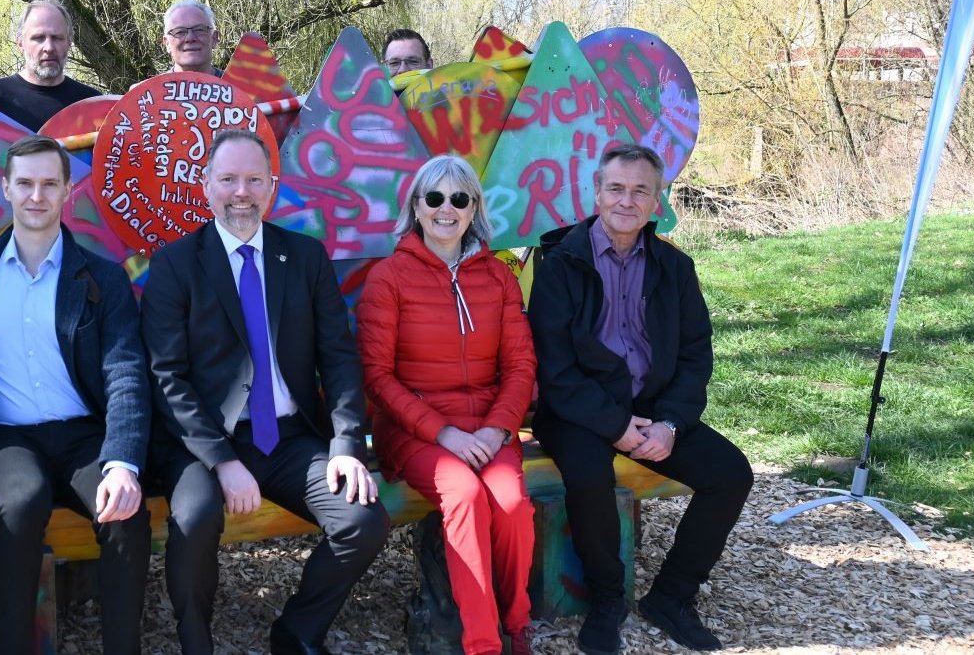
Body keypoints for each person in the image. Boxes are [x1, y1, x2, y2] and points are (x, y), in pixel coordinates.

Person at [142, 129, 389, 655]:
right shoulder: (174, 265)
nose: (241, 192)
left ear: (272, 188)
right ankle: (195, 642)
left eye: (254, 180)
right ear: (205, 186)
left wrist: (347, 446)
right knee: (194, 517)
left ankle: (297, 632)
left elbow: (339, 358)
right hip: (207, 442)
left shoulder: (303, 256)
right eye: (228, 179)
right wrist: (221, 459)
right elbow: (167, 378)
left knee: (364, 520)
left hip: (292, 440)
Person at [528, 144, 753, 655]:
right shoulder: (561, 262)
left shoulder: (674, 267)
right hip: (578, 411)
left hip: (656, 409)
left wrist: (670, 423)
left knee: (731, 474)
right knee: (588, 476)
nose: (626, 200)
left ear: (657, 201)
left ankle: (671, 597)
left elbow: (696, 357)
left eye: (640, 191)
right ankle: (607, 599)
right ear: (597, 193)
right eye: (616, 188)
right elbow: (555, 368)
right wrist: (617, 426)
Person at [0, 135, 152, 654]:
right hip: (6, 437)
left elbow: (126, 371)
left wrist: (123, 463)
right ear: (6, 188)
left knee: (126, 512)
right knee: (22, 499)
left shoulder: (102, 278)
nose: (37, 196)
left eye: (49, 184)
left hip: (84, 435)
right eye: (26, 184)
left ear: (68, 191)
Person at [355, 155, 536, 655]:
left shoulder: (498, 277)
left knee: (512, 503)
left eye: (460, 198)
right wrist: (443, 433)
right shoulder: (388, 278)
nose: (446, 209)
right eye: (434, 197)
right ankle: (483, 644)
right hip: (416, 431)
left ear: (473, 208)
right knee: (463, 495)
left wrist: (499, 429)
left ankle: (515, 622)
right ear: (416, 206)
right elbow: (377, 377)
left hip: (488, 428)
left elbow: (521, 366)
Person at [0, 0, 106, 133]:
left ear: (69, 43)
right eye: (38, 38)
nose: (49, 48)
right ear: (20, 43)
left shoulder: (94, 104)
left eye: (57, 38)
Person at [161, 0, 223, 76]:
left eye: (199, 30)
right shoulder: (150, 88)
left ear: (214, 38)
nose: (190, 38)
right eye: (180, 32)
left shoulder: (237, 87)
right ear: (167, 43)